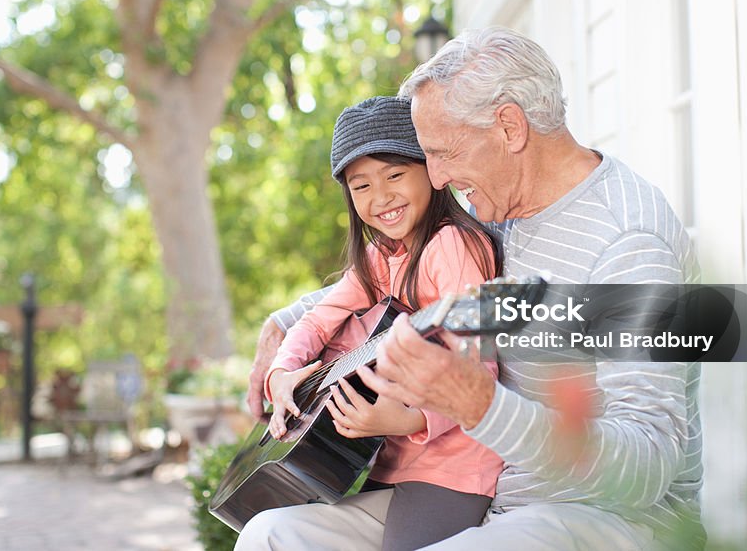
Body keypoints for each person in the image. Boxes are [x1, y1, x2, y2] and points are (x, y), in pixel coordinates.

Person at [242, 27, 705, 550]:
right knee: (272, 536)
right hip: (493, 499)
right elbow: (387, 273)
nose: (435, 179)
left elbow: (649, 465)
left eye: (443, 152)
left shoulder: (626, 241)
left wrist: (480, 407)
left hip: (600, 517)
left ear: (509, 127)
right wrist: (281, 327)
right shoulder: (500, 216)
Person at [256, 95, 505, 551]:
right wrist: (282, 373)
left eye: (394, 175)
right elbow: (316, 321)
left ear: (430, 171)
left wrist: (408, 419)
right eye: (361, 185)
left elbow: (478, 367)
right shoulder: (381, 258)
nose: (381, 197)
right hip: (392, 462)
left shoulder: (453, 247)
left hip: (452, 471)